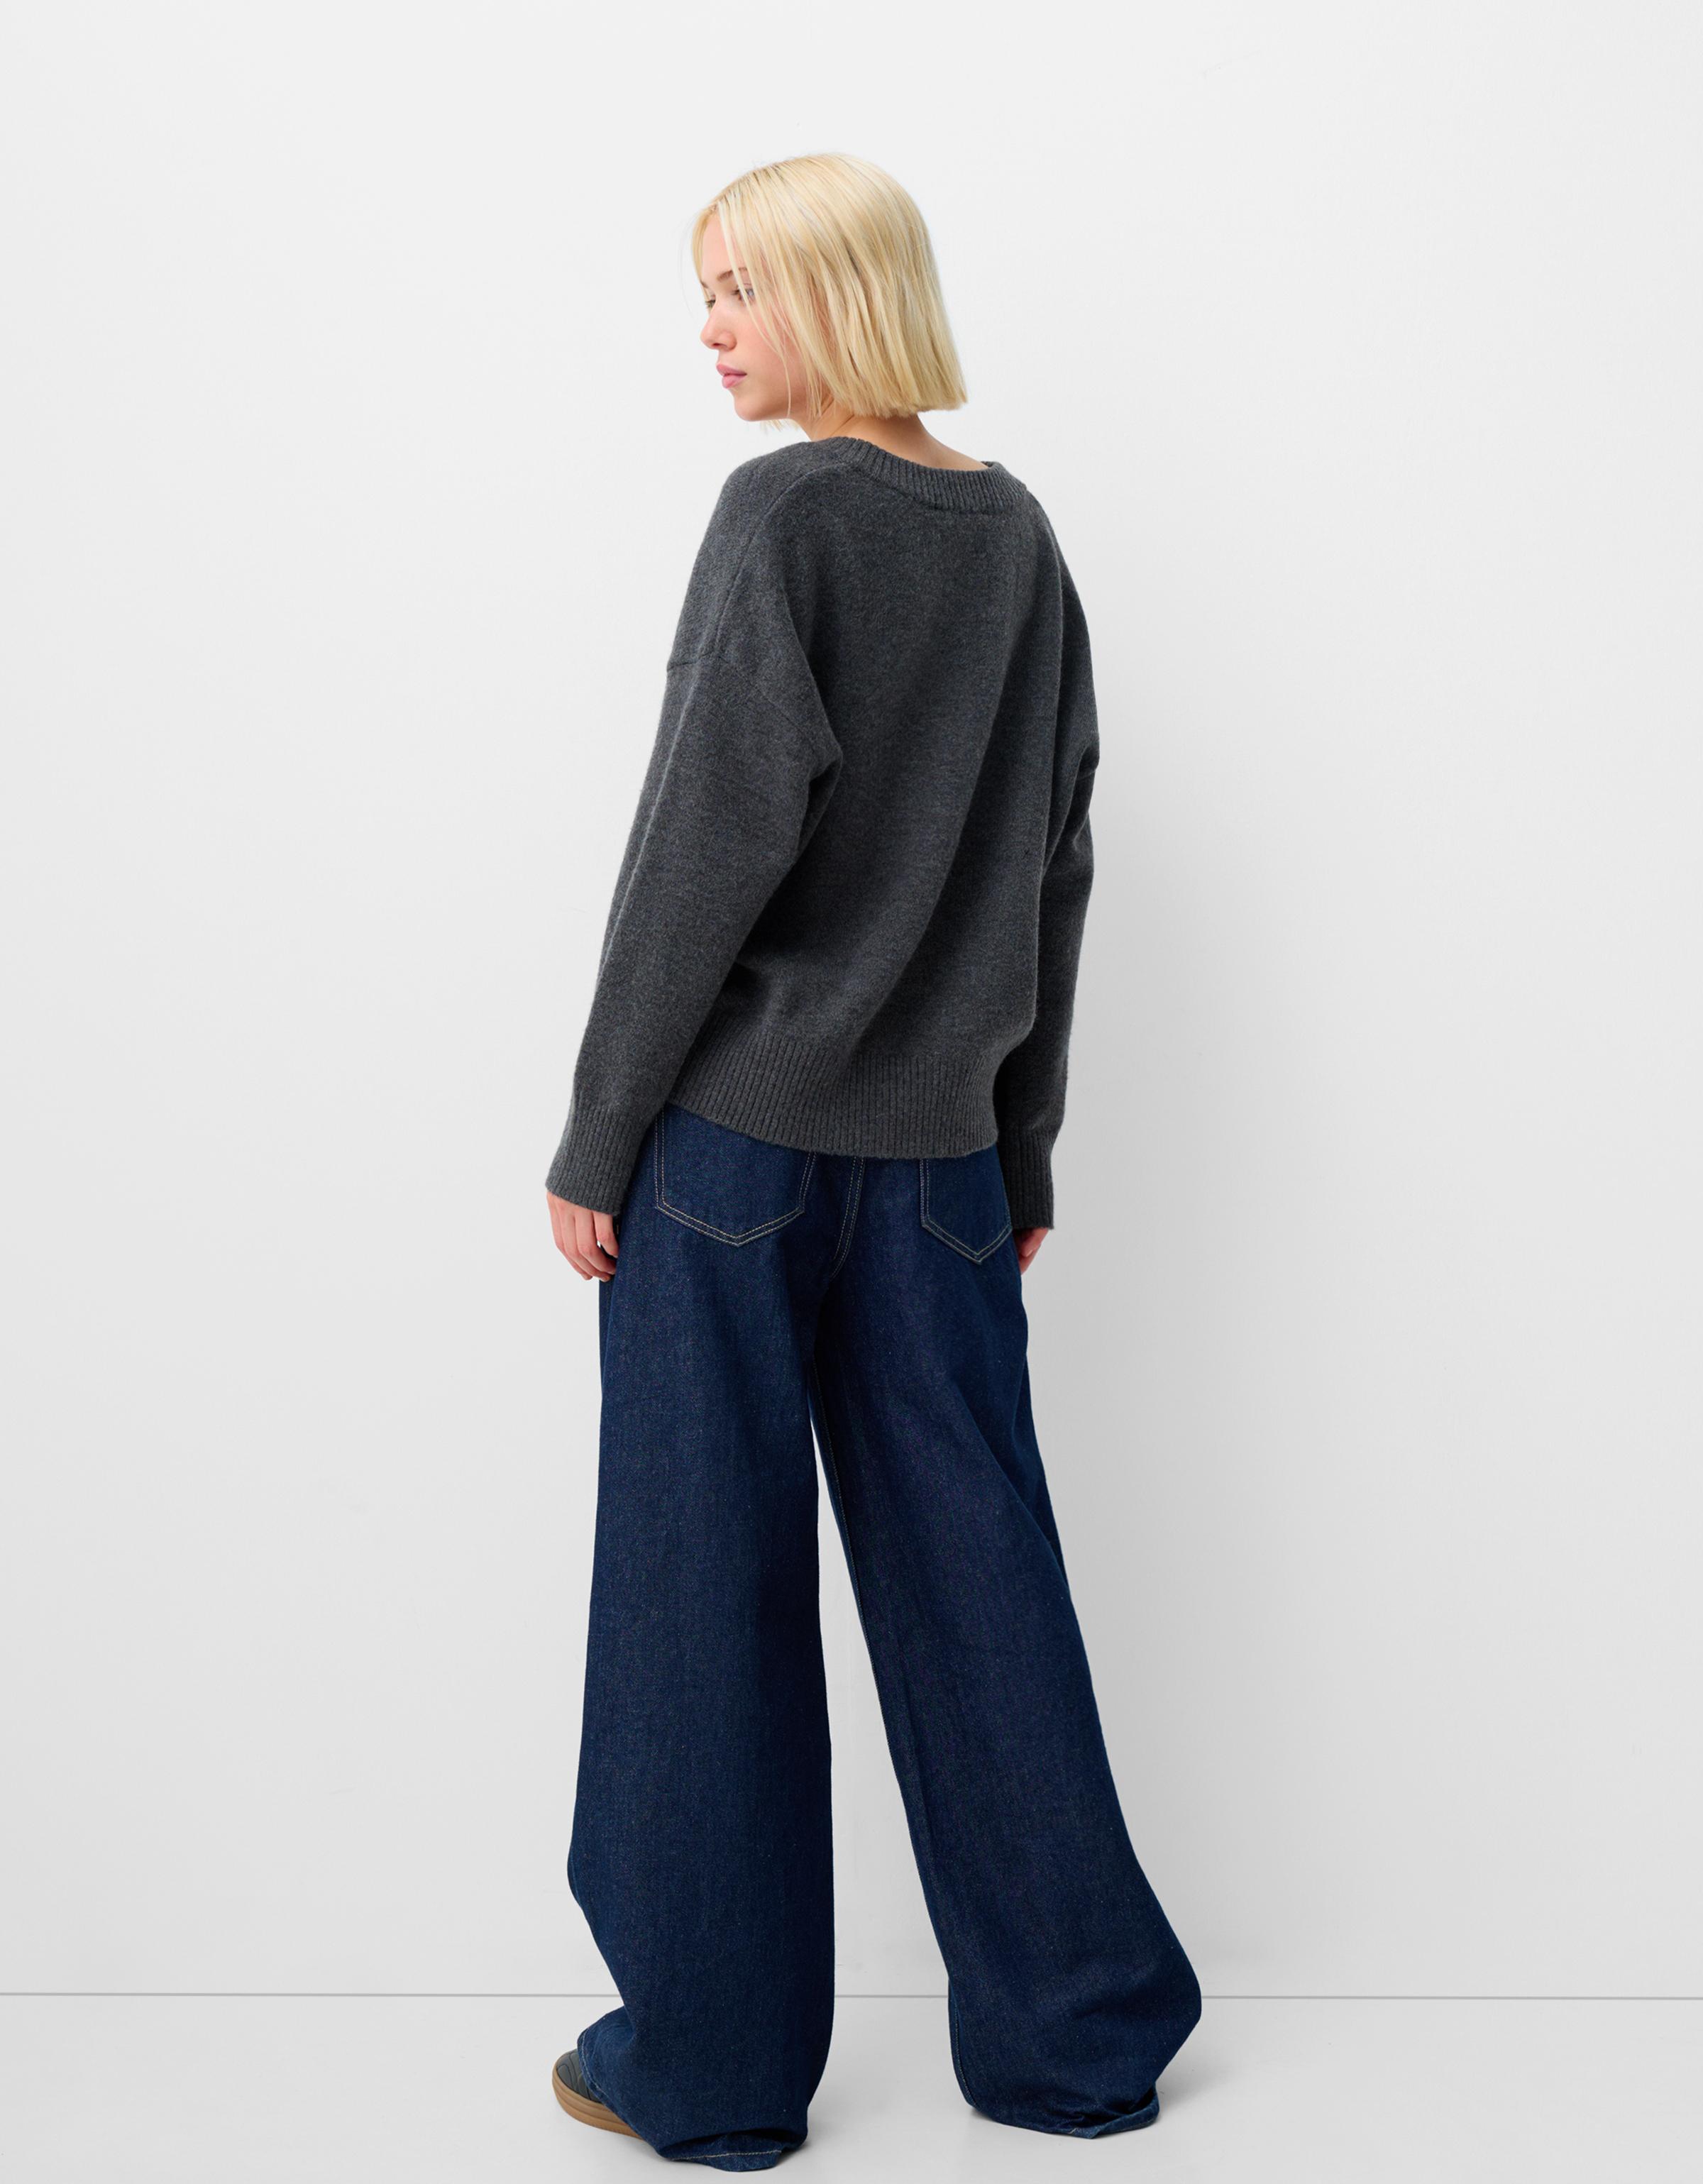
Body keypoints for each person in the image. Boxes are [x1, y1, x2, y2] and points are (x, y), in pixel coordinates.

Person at [544, 151, 1201, 2172]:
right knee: (979, 1575)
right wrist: (1021, 1150)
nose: (712, 329)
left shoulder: (787, 515)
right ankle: (1075, 2044)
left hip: (730, 1157)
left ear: (838, 294)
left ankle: (711, 2071)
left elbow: (701, 846)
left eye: (741, 288)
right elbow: (1054, 861)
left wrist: (599, 1128)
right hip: (938, 1173)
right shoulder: (1017, 538)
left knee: (701, 1594)